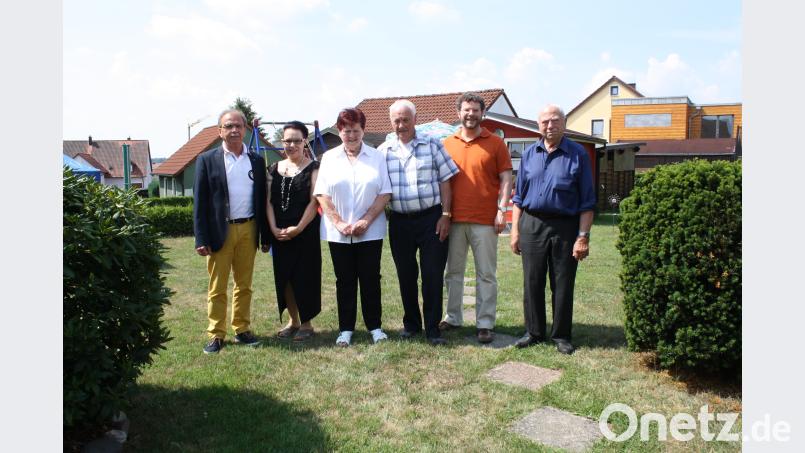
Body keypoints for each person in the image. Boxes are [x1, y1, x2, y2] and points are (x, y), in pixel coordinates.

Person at [510, 104, 595, 355]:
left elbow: (587, 201)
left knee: (563, 281)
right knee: (532, 280)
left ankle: (561, 335)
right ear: (538, 125)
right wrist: (515, 231)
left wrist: (583, 237)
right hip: (532, 223)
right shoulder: (529, 154)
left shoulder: (578, 154)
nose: (550, 125)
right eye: (545, 121)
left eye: (555, 121)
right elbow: (518, 198)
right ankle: (533, 332)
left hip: (565, 226)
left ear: (564, 123)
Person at [378, 100, 460, 346]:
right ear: (391, 122)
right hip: (400, 221)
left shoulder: (433, 145)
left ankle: (432, 328)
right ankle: (411, 325)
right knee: (406, 274)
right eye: (396, 120)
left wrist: (446, 215)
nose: (401, 125)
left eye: (405, 119)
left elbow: (446, 180)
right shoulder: (384, 150)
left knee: (432, 274)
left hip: (431, 219)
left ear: (415, 119)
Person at [313, 108, 392, 347]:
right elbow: (322, 193)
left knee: (371, 279)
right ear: (339, 131)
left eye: (356, 131)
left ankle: (375, 327)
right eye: (346, 131)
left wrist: (366, 220)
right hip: (338, 233)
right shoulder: (329, 158)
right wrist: (338, 222)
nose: (351, 136)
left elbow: (384, 192)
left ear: (363, 130)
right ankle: (345, 329)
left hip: (371, 231)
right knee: (344, 280)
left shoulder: (377, 157)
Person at [193, 109, 270, 354]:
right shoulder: (206, 160)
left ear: (246, 129)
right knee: (217, 287)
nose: (234, 130)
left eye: (238, 125)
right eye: (228, 126)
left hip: (249, 229)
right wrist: (201, 238)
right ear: (220, 131)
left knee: (244, 285)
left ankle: (242, 329)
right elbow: (200, 203)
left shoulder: (257, 161)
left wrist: (264, 236)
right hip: (220, 231)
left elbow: (262, 199)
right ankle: (216, 334)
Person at [440, 92, 513, 344]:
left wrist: (502, 209)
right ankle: (452, 317)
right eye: (466, 110)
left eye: (475, 110)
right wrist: (444, 215)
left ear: (483, 113)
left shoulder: (495, 143)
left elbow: (506, 178)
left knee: (486, 274)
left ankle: (485, 323)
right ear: (458, 113)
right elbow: (443, 182)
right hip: (455, 219)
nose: (470, 114)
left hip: (486, 219)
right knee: (453, 272)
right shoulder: (447, 143)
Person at [267, 121, 321, 342]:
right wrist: (272, 228)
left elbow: (314, 200)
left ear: (304, 141)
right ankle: (293, 321)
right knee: (285, 278)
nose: (291, 145)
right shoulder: (273, 168)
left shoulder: (313, 168)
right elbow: (268, 203)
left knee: (304, 277)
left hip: (305, 231)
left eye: (296, 141)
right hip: (279, 232)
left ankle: (307, 323)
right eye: (287, 140)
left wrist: (298, 228)